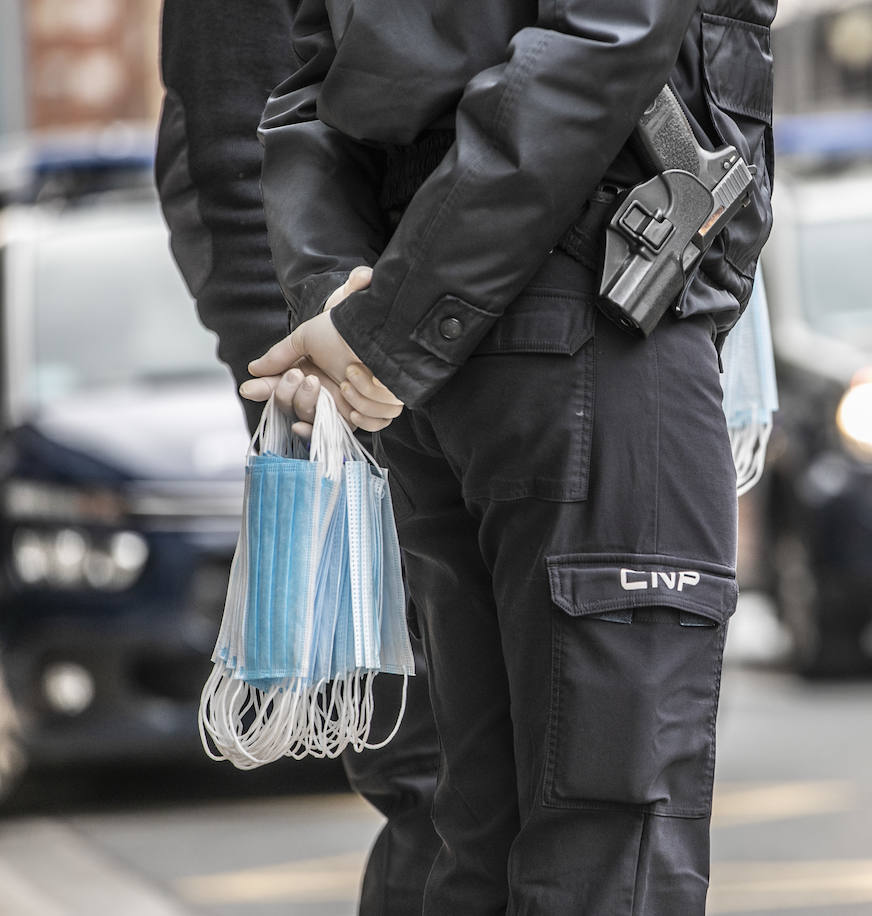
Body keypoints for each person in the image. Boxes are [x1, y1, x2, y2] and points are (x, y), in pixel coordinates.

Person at [246, 0, 776, 911]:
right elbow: (612, 32)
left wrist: (349, 305)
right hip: (587, 315)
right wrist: (386, 324)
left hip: (440, 342)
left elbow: (308, 91)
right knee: (611, 838)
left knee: (482, 830)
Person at [154, 3, 442, 912]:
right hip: (349, 372)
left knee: (508, 779)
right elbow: (232, 140)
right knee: (433, 772)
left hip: (452, 343)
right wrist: (294, 331)